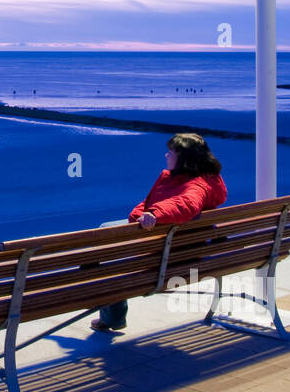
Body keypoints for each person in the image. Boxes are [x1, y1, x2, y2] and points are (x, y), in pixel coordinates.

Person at [90, 132, 228, 333]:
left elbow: (187, 204)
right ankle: (110, 312)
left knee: (105, 245)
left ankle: (110, 315)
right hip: (179, 246)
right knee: (107, 230)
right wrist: (143, 214)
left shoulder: (195, 185)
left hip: (166, 256)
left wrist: (155, 214)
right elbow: (152, 203)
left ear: (184, 159)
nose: (166, 156)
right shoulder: (198, 179)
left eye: (170, 152)